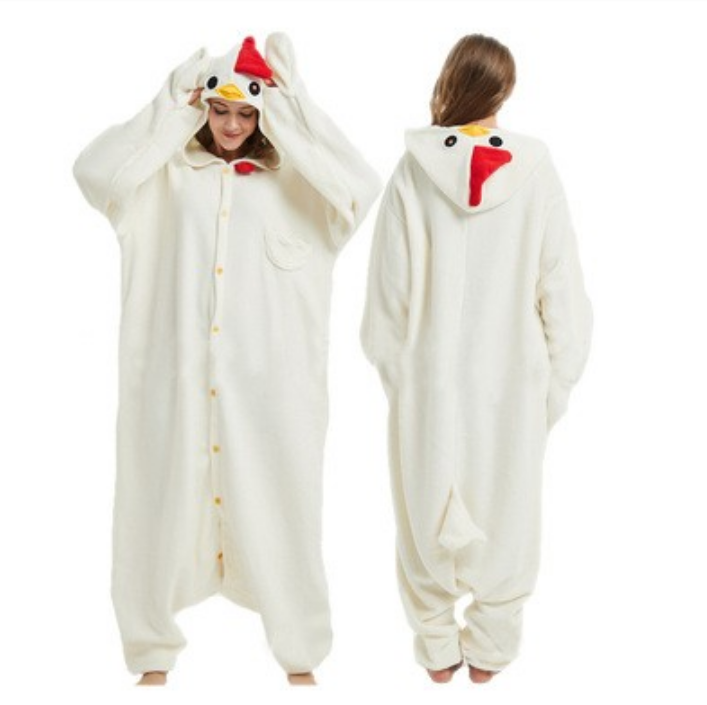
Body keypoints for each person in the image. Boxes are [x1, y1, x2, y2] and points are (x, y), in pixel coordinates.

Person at [73, 33, 380, 687]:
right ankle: (151, 650)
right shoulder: (162, 177)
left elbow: (360, 185)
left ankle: (300, 652)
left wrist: (293, 107)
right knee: (154, 505)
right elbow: (94, 172)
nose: (233, 125)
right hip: (173, 384)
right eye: (220, 111)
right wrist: (170, 108)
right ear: (203, 109)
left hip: (272, 395)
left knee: (285, 509)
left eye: (247, 113)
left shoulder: (304, 187)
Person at [360, 34, 592, 685]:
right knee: (510, 504)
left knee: (420, 500)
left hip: (426, 376)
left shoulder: (412, 170)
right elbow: (561, 289)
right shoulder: (534, 169)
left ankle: (435, 642)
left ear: (449, 81)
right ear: (504, 91)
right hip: (511, 377)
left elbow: (386, 297)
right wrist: (553, 383)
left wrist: (401, 374)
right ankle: (492, 641)